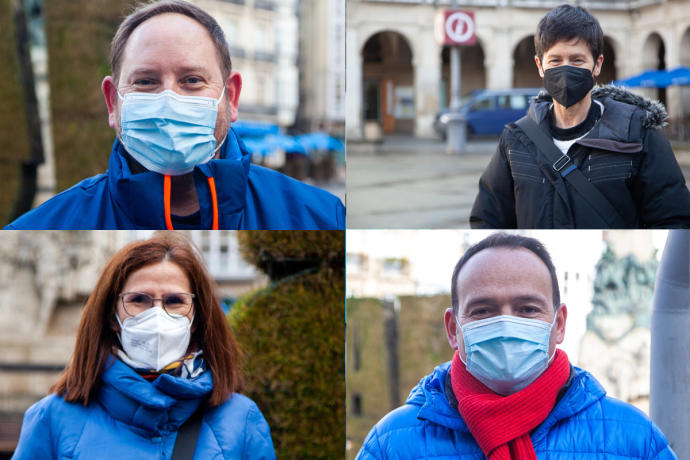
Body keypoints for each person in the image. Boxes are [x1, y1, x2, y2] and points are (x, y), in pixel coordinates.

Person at [5, 0, 344, 230]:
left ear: (232, 96)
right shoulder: (43, 225)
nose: (168, 100)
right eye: (146, 81)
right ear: (113, 102)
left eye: (192, 80)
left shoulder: (321, 216)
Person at [357, 233, 677, 459]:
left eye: (527, 309)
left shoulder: (634, 439)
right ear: (453, 329)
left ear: (560, 324)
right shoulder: (392, 444)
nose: (506, 326)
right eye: (483, 310)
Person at [11, 233, 276, 459]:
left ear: (196, 318)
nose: (157, 315)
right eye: (139, 300)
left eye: (174, 301)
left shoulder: (241, 419)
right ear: (112, 316)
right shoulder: (51, 418)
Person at [470, 5, 690, 228]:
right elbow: (488, 220)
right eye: (555, 61)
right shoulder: (514, 141)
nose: (565, 71)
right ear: (540, 65)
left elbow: (674, 220)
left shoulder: (638, 136)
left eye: (577, 60)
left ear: (597, 65)